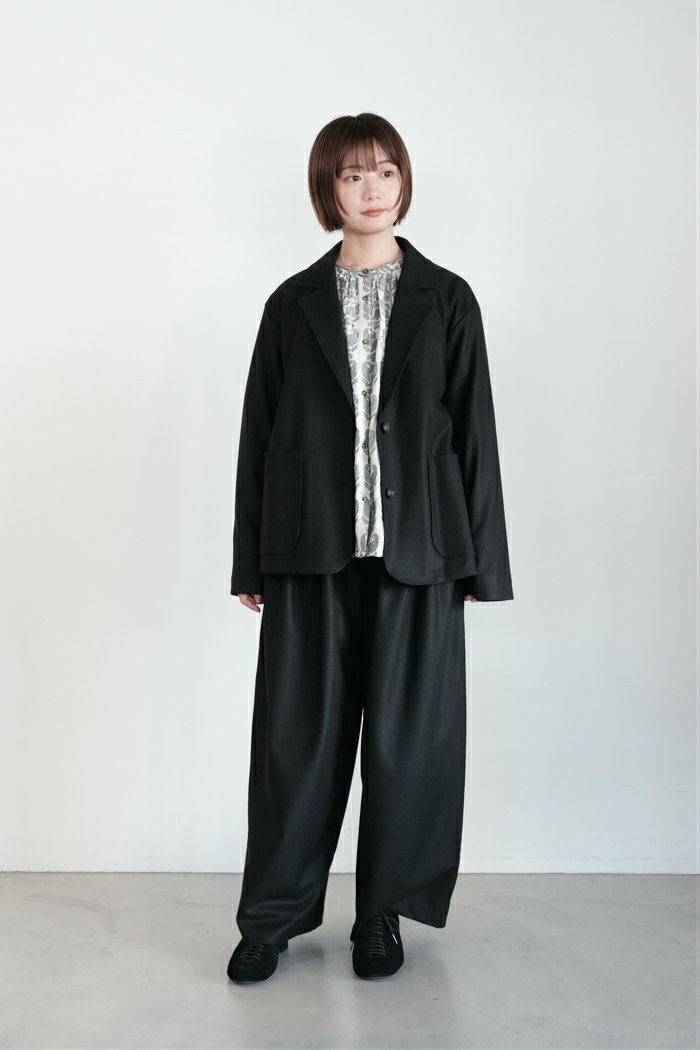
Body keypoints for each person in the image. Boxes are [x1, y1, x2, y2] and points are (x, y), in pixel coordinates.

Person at [226, 112, 514, 984]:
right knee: (295, 747)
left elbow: (474, 430)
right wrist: (249, 561)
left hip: (419, 555)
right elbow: (258, 435)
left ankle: (381, 914)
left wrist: (483, 562)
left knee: (408, 747)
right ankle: (271, 919)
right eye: (353, 174)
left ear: (404, 181)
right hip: (308, 555)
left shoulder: (448, 298)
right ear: (329, 189)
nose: (372, 188)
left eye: (385, 171)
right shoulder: (291, 304)